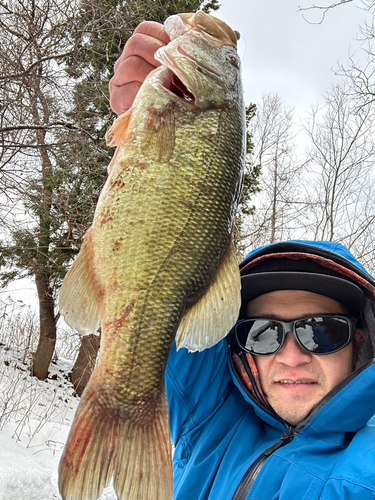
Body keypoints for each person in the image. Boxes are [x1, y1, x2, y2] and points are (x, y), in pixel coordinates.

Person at [109, 22, 375, 500]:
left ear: (361, 340)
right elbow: (167, 312)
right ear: (238, 346)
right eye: (262, 333)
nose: (291, 355)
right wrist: (141, 142)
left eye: (322, 331)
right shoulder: (212, 418)